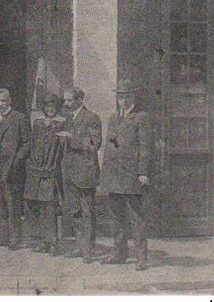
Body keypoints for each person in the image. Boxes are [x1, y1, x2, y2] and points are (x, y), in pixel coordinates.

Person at [99, 78, 152, 271]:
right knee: (117, 217)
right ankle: (119, 253)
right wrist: (104, 173)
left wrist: (143, 172)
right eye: (120, 97)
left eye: (127, 96)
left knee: (136, 218)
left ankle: (141, 257)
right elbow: (110, 146)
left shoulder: (141, 117)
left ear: (133, 97)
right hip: (114, 175)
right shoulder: (114, 118)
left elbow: (146, 148)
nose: (124, 100)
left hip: (131, 175)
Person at [58, 86, 102, 262]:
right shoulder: (68, 117)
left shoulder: (92, 118)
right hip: (69, 172)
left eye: (69, 100)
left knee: (87, 212)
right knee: (74, 210)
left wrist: (71, 138)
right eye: (65, 100)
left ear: (79, 100)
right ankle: (79, 245)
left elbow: (94, 144)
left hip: (85, 173)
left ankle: (88, 250)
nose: (66, 103)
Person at [0, 87, 30, 248]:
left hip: (10, 169)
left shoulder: (19, 118)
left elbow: (27, 143)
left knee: (12, 203)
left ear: (9, 101)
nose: (1, 104)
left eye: (3, 101)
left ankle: (15, 237)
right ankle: (1, 235)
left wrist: (16, 161)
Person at [24, 92, 65, 254]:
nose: (50, 109)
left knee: (50, 206)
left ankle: (53, 241)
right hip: (36, 171)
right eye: (47, 106)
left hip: (51, 171)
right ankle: (43, 240)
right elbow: (33, 146)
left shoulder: (61, 124)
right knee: (38, 205)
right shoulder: (39, 124)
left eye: (53, 107)